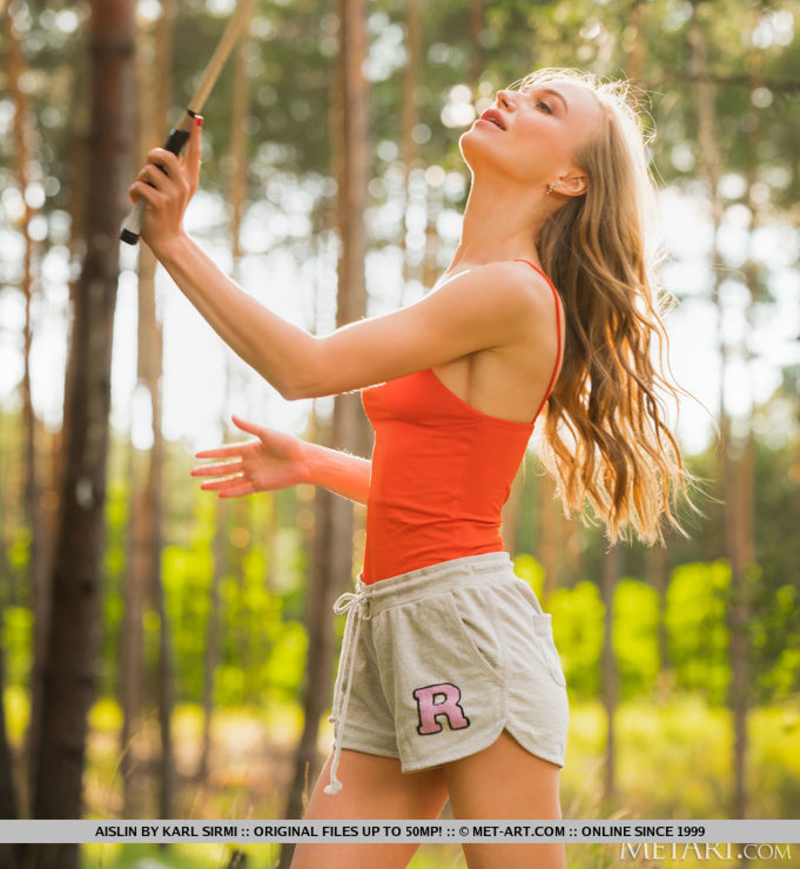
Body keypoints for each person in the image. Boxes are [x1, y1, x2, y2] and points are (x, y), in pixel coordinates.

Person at [129, 67, 692, 869]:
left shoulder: (511, 292)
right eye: (521, 88)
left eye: (544, 106)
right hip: (392, 626)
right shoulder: (471, 283)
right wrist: (314, 460)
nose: (510, 98)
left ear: (570, 178)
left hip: (462, 631)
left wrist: (175, 243)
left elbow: (304, 367)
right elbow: (448, 501)